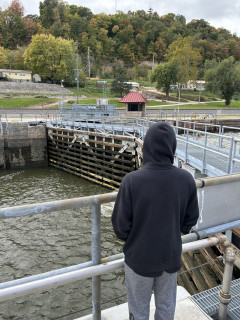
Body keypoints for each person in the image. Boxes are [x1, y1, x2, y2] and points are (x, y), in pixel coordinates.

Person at [111, 121, 199, 320]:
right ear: (172, 147)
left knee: (138, 309)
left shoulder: (131, 181)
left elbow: (120, 226)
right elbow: (190, 220)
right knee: (166, 307)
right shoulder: (186, 180)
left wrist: (135, 238)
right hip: (170, 255)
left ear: (147, 147)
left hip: (139, 258)